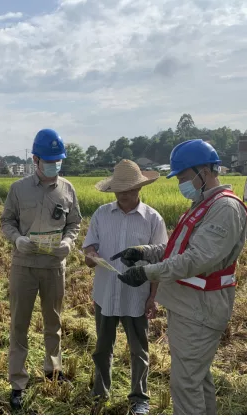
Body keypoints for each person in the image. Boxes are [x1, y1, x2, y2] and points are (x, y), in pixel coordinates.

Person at [113, 139, 247, 415]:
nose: (181, 185)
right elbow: (177, 247)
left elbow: (195, 260)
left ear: (204, 172)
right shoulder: (203, 204)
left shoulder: (224, 209)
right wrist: (144, 252)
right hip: (189, 307)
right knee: (197, 379)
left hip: (200, 311)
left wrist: (146, 273)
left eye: (184, 177)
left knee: (185, 385)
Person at [0, 128, 82, 410]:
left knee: (54, 323)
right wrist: (17, 239)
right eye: (49, 160)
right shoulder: (18, 189)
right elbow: (6, 222)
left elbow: (74, 224)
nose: (54, 165)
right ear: (35, 159)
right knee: (19, 325)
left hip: (54, 266)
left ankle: (52, 370)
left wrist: (70, 243)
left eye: (58, 160)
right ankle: (17, 382)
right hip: (24, 266)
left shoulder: (67, 189)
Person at [82, 159, 168, 415]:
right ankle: (100, 391)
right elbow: (89, 247)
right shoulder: (101, 214)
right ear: (114, 190)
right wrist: (90, 255)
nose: (126, 196)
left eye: (131, 190)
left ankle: (139, 397)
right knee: (102, 347)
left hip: (136, 295)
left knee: (139, 349)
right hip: (106, 293)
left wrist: (153, 297)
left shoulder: (153, 219)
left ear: (140, 189)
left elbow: (160, 260)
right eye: (121, 191)